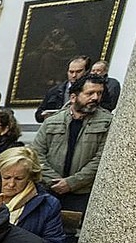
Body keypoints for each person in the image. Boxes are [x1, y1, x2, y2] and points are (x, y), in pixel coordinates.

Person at [31, 73, 111, 213]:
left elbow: (101, 160)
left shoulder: (107, 122)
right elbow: (36, 154)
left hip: (82, 194)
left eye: (99, 93)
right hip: (50, 190)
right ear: (73, 97)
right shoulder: (52, 121)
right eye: (90, 93)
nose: (95, 98)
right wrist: (54, 181)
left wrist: (71, 183)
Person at [0, 147, 65, 243]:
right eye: (6, 177)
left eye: (19, 178)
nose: (11, 184)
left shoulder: (48, 204)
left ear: (30, 177)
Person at [35, 55, 90, 123]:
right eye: (71, 72)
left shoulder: (95, 91)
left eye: (78, 72)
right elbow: (38, 115)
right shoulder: (54, 91)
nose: (74, 75)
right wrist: (44, 115)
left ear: (87, 72)